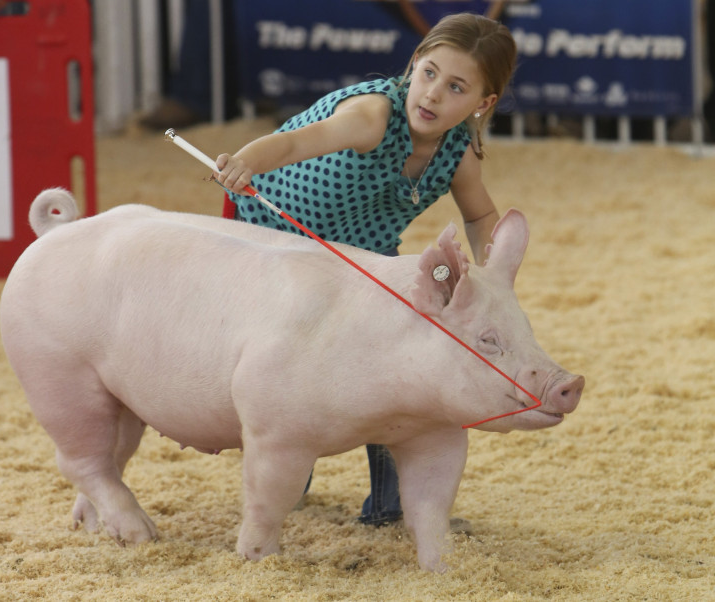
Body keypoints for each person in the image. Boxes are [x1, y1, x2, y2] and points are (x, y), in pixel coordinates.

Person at [213, 12, 517, 529]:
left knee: (398, 358)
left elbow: (481, 214)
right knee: (295, 361)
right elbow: (290, 144)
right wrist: (245, 160)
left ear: (482, 104)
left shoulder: (457, 152)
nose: (433, 94)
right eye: (428, 73)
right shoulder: (372, 116)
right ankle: (288, 478)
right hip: (278, 240)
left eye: (456, 86)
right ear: (414, 63)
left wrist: (494, 271)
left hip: (359, 253)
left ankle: (391, 507)